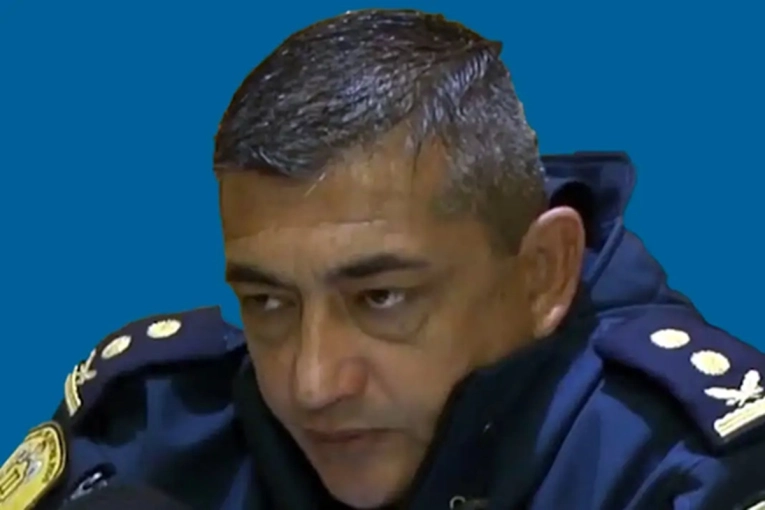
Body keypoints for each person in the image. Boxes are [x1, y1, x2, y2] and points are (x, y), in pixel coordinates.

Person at [3, 8, 765, 510]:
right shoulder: (149, 427)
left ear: (541, 274)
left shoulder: (693, 471)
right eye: (269, 304)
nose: (312, 383)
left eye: (381, 298)